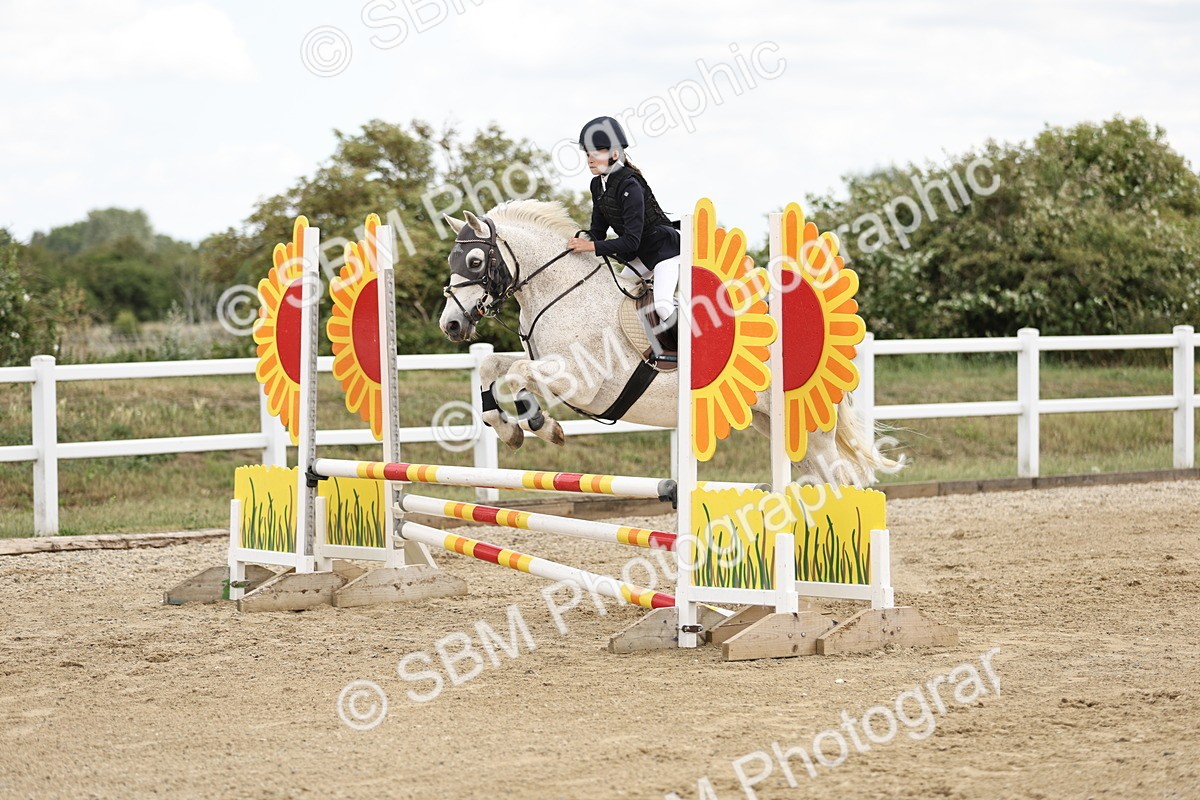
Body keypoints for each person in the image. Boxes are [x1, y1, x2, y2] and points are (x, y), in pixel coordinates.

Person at [566, 116, 680, 347]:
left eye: (596, 152)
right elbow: (597, 231)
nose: (589, 159)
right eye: (587, 153)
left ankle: (691, 356)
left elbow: (630, 242)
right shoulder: (598, 184)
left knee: (663, 305)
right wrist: (574, 243)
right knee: (617, 295)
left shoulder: (630, 184)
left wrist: (591, 246)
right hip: (644, 255)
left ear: (615, 154)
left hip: (666, 251)